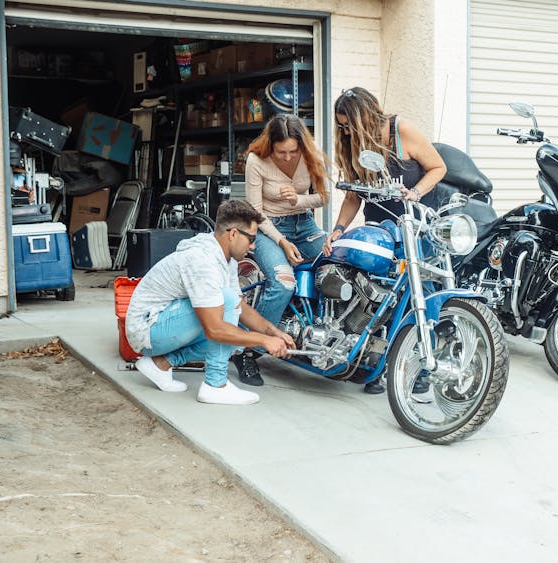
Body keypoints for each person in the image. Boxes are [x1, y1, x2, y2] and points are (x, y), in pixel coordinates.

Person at [322, 87, 447, 394]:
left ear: (366, 116)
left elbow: (438, 167)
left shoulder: (400, 129)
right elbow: (354, 195)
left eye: (350, 124)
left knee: (421, 297)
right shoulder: (353, 144)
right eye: (342, 126)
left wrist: (415, 192)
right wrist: (338, 229)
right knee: (376, 295)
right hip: (378, 230)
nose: (346, 131)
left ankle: (421, 367)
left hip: (413, 228)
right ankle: (375, 364)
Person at [125, 200, 295, 405]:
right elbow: (215, 328)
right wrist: (263, 341)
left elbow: (240, 308)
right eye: (251, 239)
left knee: (234, 332)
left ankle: (160, 364)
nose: (253, 246)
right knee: (226, 312)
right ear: (233, 234)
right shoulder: (202, 260)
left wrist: (272, 331)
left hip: (162, 324)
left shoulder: (227, 259)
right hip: (146, 330)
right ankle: (215, 385)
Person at [235, 113, 330, 387]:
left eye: (293, 151)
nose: (288, 157)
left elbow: (323, 197)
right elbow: (255, 212)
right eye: (281, 152)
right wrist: (281, 242)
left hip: (305, 224)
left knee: (335, 267)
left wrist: (299, 199)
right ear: (271, 146)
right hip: (268, 228)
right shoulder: (256, 161)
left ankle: (318, 338)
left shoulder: (312, 156)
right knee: (283, 283)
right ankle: (247, 351)